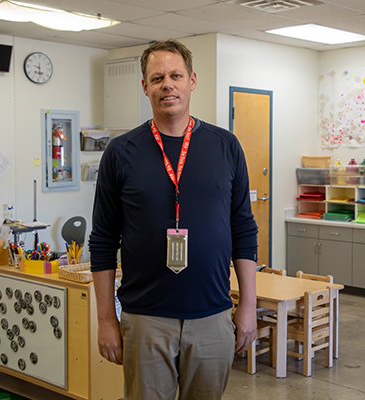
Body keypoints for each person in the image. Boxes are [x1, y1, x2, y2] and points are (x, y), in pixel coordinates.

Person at [89, 38, 258, 400]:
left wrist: (248, 305)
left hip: (212, 315)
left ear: (192, 80)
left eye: (176, 75)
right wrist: (106, 319)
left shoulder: (225, 146)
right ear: (145, 86)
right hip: (145, 318)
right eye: (157, 77)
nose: (167, 84)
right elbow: (102, 240)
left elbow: (244, 229)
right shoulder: (121, 153)